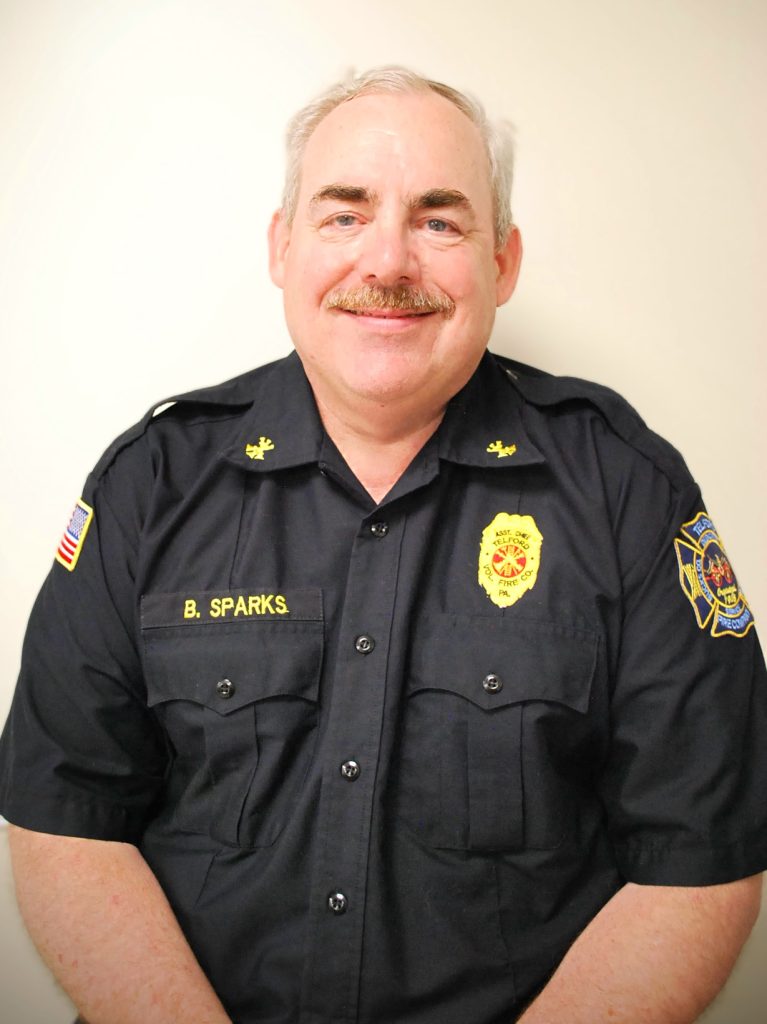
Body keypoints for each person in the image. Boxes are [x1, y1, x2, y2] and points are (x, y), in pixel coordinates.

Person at [1, 65, 765, 1024]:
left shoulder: (625, 490)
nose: (389, 261)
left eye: (440, 220)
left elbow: (696, 855)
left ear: (504, 262)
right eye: (343, 214)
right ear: (283, 247)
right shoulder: (152, 482)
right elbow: (66, 818)